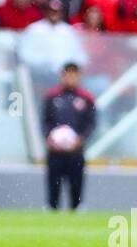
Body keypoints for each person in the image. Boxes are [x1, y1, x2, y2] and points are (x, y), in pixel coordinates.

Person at [41, 62, 97, 210]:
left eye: (74, 74)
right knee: (54, 184)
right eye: (67, 74)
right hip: (55, 151)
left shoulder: (86, 98)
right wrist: (50, 138)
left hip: (76, 152)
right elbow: (45, 121)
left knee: (76, 184)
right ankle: (51, 209)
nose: (70, 78)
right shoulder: (52, 96)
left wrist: (80, 139)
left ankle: (77, 209)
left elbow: (91, 123)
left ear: (79, 76)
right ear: (62, 76)